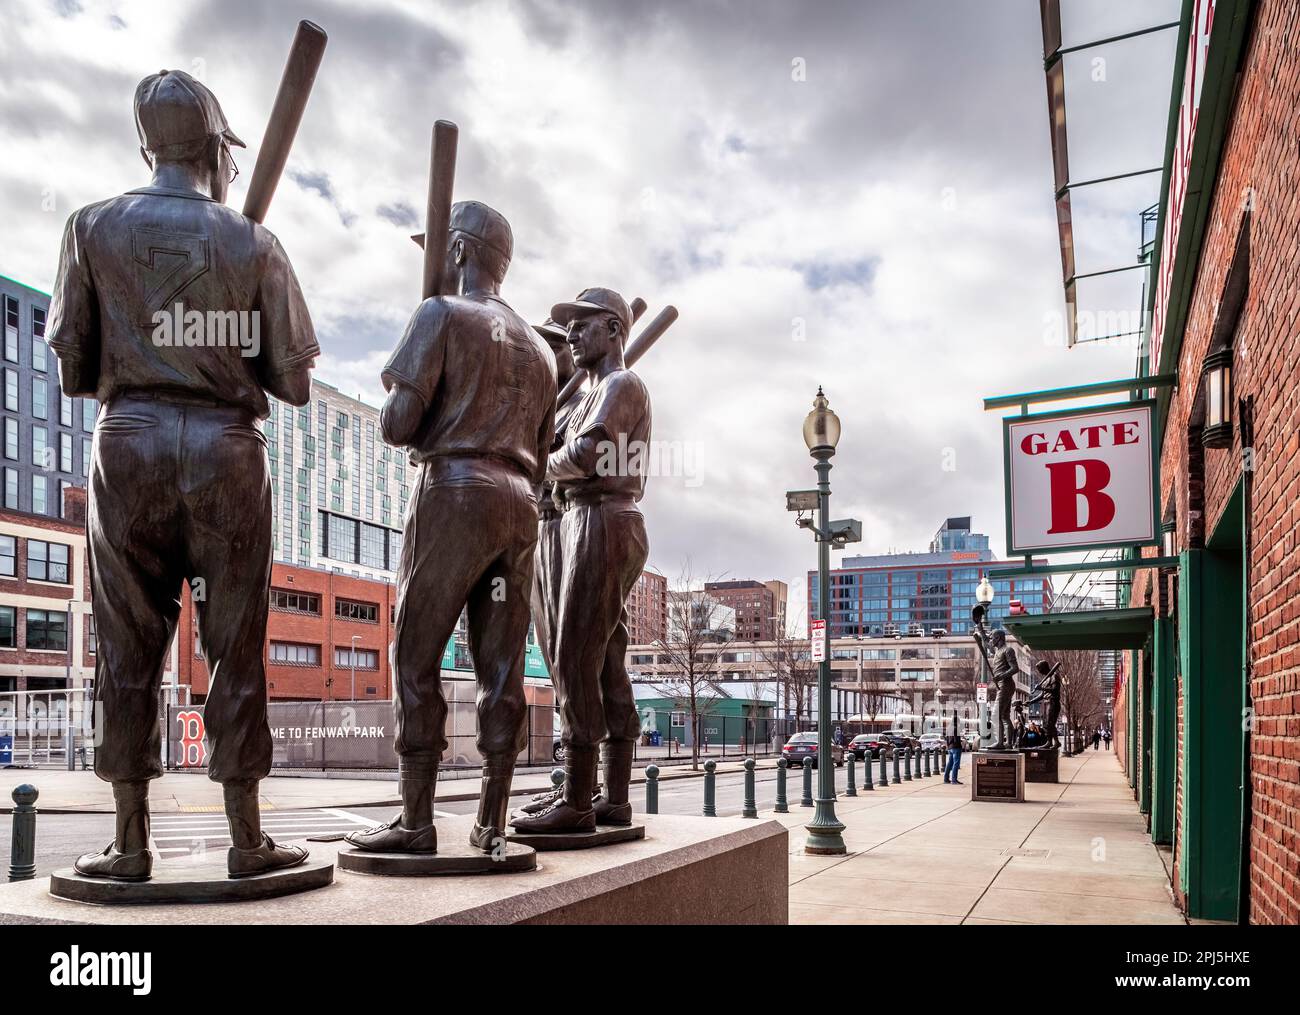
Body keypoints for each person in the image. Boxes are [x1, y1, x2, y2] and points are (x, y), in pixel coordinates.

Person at [48, 70, 320, 881]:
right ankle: (246, 839)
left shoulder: (90, 226)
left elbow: (72, 370)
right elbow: (296, 382)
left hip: (127, 443)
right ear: (216, 150)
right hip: (227, 451)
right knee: (236, 644)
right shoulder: (255, 243)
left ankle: (131, 842)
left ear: (147, 145)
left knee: (126, 644)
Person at [345, 201, 557, 855]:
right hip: (520, 503)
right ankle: (491, 821)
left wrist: (411, 389)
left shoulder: (439, 314)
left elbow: (398, 423)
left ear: (461, 251)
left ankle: (416, 820)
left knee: (414, 656)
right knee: (501, 670)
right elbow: (545, 457)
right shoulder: (543, 351)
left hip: (455, 491)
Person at [511, 288, 651, 834]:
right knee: (605, 661)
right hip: (582, 517)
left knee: (573, 657)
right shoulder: (593, 390)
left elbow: (589, 455)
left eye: (582, 324)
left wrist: (534, 463)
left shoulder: (622, 385)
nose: (571, 333)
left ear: (614, 330)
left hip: (604, 517)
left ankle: (577, 799)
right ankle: (611, 797)